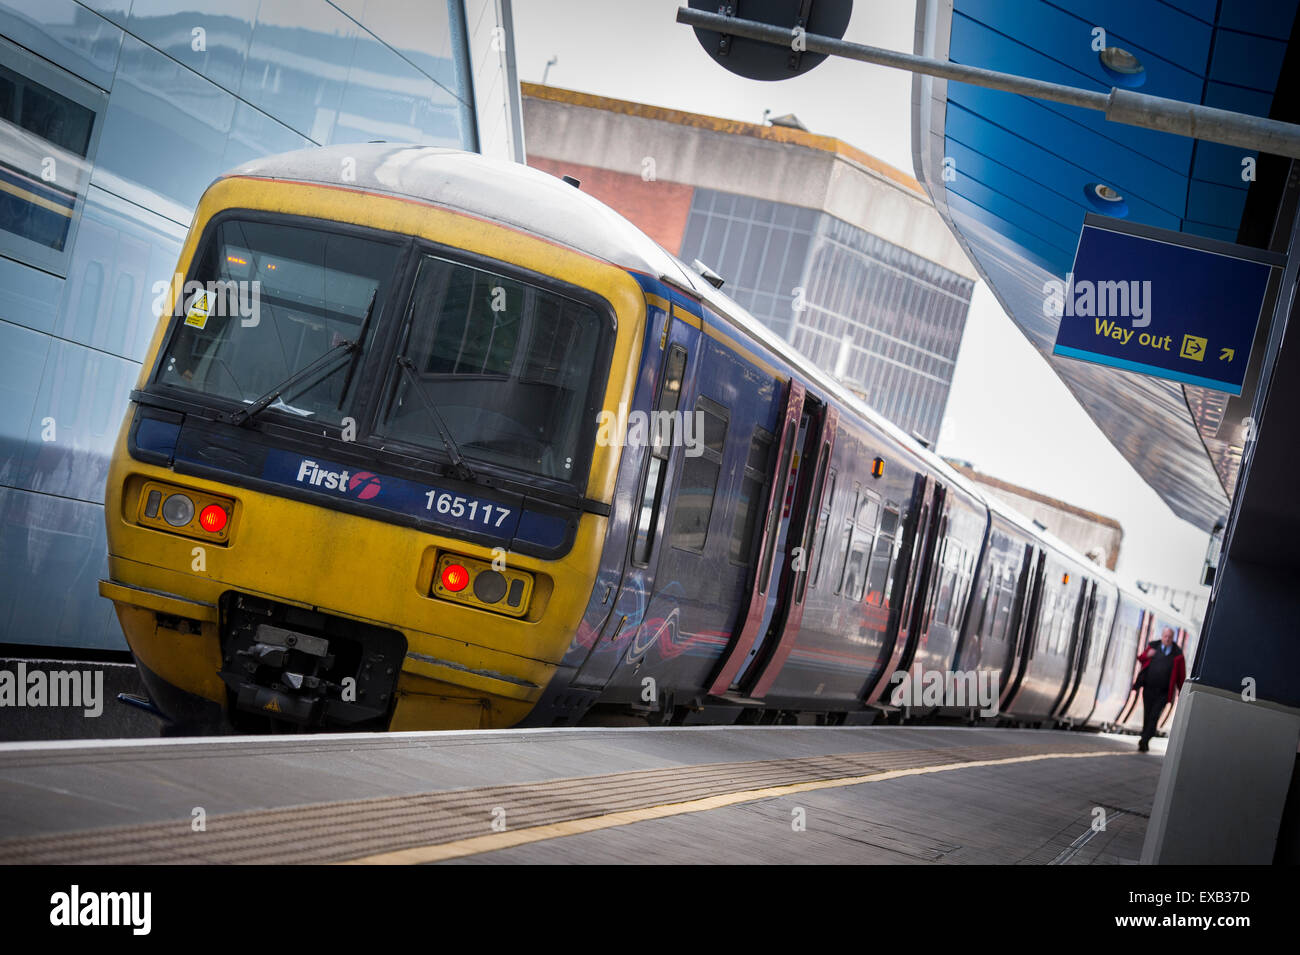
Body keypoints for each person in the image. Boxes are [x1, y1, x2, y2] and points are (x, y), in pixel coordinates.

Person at [1136, 626, 1185, 752]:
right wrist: (1148, 655)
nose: (1167, 639)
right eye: (1165, 636)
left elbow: (1181, 676)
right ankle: (1145, 739)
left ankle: (1144, 739)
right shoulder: (1153, 647)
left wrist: (1182, 692)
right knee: (1147, 715)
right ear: (1162, 636)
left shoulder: (1178, 654)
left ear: (1173, 638)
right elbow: (1141, 658)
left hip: (1163, 693)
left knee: (1154, 716)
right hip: (1149, 689)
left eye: (1170, 637)